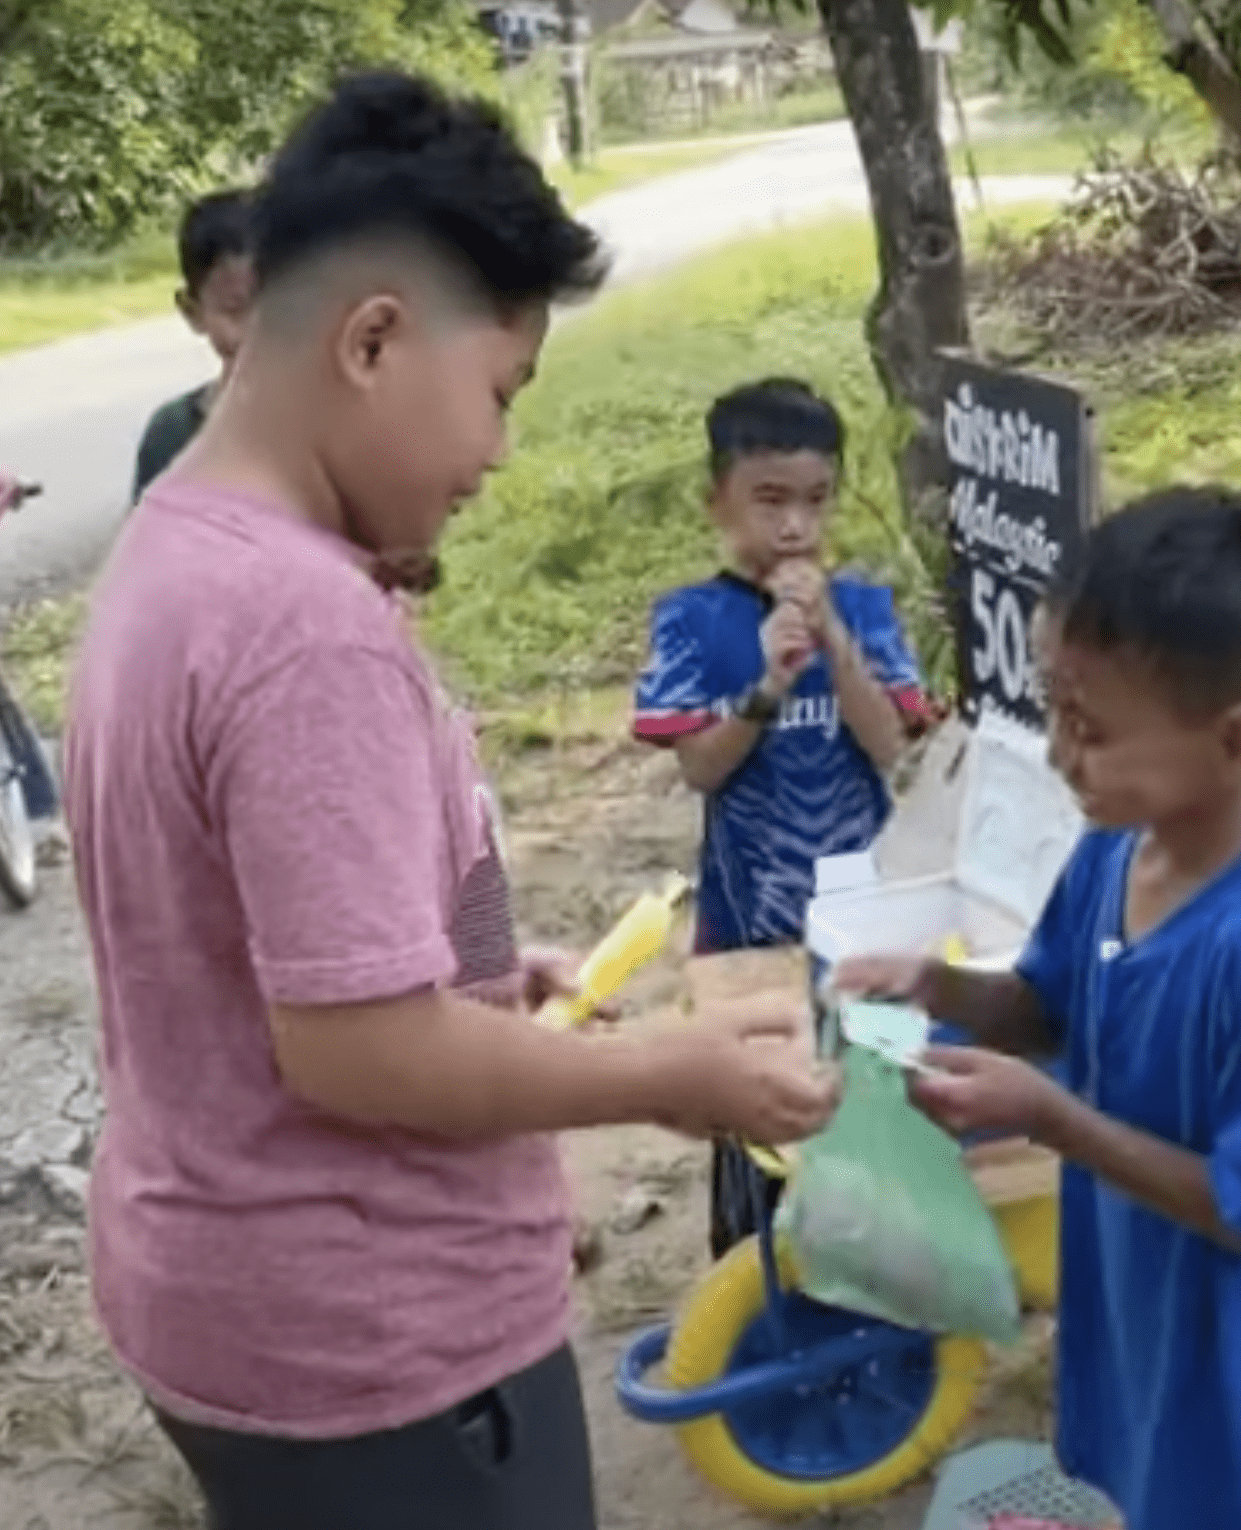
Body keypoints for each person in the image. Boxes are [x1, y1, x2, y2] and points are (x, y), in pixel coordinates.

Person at [65, 72, 838, 1530]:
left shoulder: (176, 545)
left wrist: (472, 969)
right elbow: (358, 1050)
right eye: (499, 394)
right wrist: (672, 1073)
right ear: (372, 339)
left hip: (218, 1289)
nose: (497, 454)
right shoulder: (305, 627)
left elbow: (257, 931)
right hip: (378, 1352)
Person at [839, 490, 1241, 1530]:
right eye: (1051, 708)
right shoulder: (1112, 848)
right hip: (1144, 1329)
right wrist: (937, 987)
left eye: (1089, 728)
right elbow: (1051, 1009)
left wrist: (1051, 1120)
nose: (1056, 753)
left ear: (1236, 739)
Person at [633, 377, 929, 1258]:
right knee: (762, 1120)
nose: (795, 527)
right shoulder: (692, 620)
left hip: (861, 919)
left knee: (873, 1101)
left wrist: (836, 646)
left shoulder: (866, 611)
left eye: (815, 501)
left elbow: (889, 747)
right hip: (749, 926)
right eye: (769, 502)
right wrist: (764, 687)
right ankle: (760, 1286)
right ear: (716, 499)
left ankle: (887, 1289)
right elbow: (702, 766)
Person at [132, 188, 256, 500]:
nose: (262, 331)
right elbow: (148, 543)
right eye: (236, 310)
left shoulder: (346, 427)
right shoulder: (172, 435)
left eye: (282, 305)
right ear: (193, 312)